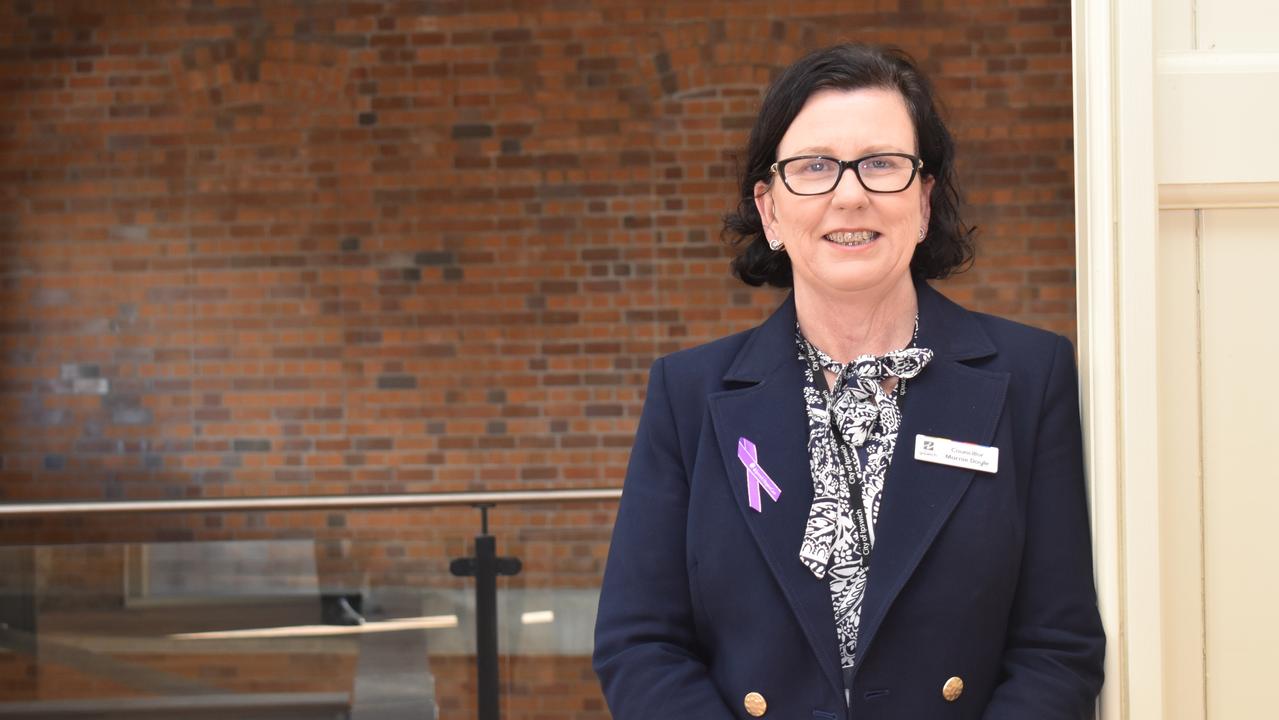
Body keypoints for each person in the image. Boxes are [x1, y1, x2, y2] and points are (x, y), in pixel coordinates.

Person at [592, 43, 1105, 719]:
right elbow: (639, 645)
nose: (849, 193)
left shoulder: (1031, 377)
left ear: (923, 202)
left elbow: (1056, 647)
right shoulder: (687, 395)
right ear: (770, 210)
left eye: (881, 164)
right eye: (813, 167)